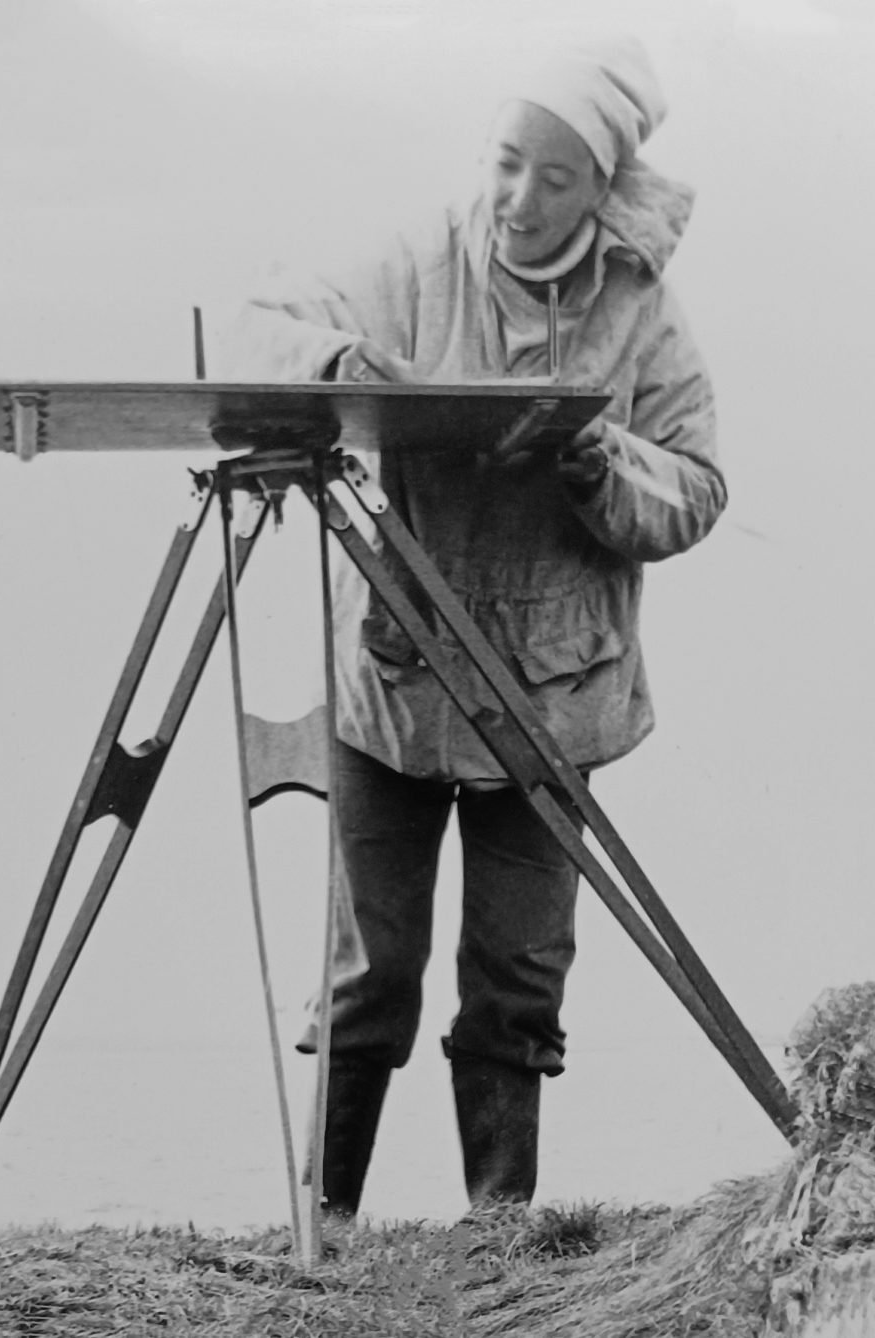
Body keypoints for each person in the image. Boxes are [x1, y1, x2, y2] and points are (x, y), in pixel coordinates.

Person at [218, 36, 726, 1218]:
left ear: (600, 189)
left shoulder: (644, 313)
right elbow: (258, 325)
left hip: (550, 704)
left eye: (555, 176)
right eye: (507, 162)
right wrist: (335, 365)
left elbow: (695, 489)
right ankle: (325, 1226)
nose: (520, 197)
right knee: (369, 971)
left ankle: (494, 1237)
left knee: (514, 981)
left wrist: (604, 463)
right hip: (391, 686)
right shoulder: (414, 260)